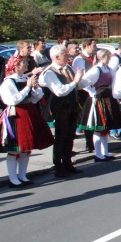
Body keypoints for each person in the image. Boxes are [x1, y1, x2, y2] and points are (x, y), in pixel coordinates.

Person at [0, 56, 54, 187]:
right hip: (16, 116)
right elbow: (12, 100)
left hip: (29, 112)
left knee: (26, 148)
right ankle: (13, 179)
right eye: (24, 63)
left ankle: (22, 175)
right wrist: (27, 88)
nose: (27, 65)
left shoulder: (25, 79)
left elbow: (36, 98)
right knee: (15, 149)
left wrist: (34, 88)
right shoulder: (8, 82)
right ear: (16, 66)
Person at [39, 45, 87, 178]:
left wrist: (82, 79)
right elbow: (60, 91)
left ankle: (68, 163)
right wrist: (75, 81)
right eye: (65, 54)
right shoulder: (49, 72)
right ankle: (58, 166)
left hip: (72, 105)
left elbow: (78, 84)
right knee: (61, 137)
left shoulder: (68, 68)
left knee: (70, 135)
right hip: (60, 108)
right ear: (57, 57)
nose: (68, 56)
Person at [79, 49, 121, 162]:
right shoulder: (96, 70)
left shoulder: (108, 69)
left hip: (108, 98)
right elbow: (83, 82)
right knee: (98, 128)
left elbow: (114, 82)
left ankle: (105, 152)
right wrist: (92, 92)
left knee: (106, 128)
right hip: (98, 100)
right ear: (102, 57)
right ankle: (98, 154)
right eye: (108, 56)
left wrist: (116, 95)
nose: (109, 58)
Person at [73, 38, 98, 153]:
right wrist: (90, 90)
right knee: (87, 117)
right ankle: (89, 143)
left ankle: (93, 141)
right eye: (94, 45)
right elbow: (80, 78)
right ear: (87, 46)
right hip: (84, 92)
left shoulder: (93, 57)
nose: (96, 47)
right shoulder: (79, 59)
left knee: (93, 117)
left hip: (93, 90)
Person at [108, 41, 121, 140]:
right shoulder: (115, 58)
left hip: (120, 87)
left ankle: (120, 130)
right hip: (115, 88)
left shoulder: (119, 57)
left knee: (120, 110)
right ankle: (114, 131)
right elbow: (112, 74)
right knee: (116, 110)